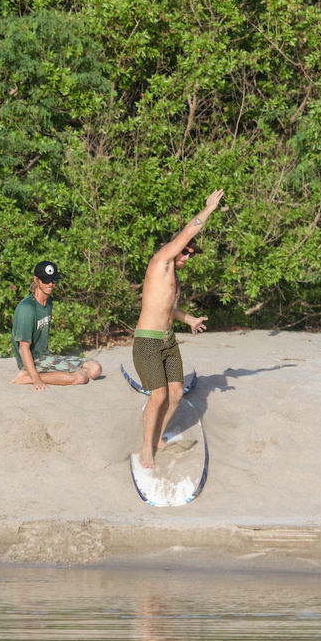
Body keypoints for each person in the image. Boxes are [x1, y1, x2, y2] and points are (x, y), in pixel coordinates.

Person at [133, 189, 224, 468]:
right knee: (158, 395)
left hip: (168, 343)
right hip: (147, 342)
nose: (187, 257)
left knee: (175, 393)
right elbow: (186, 233)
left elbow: (169, 310)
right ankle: (146, 449)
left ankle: (159, 436)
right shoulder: (161, 261)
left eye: (190, 255)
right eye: (186, 252)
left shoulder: (174, 280)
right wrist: (208, 209)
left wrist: (190, 320)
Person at [9, 260, 103, 390]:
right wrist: (36, 379)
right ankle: (27, 376)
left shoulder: (48, 303)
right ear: (36, 280)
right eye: (46, 281)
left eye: (53, 280)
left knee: (95, 369)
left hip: (45, 357)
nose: (51, 284)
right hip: (32, 360)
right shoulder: (27, 308)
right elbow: (23, 348)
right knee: (81, 377)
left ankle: (45, 374)